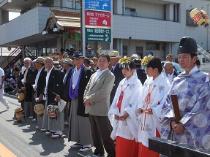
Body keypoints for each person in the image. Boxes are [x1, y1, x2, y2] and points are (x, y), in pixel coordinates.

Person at [161, 37, 210, 152]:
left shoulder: (204, 79)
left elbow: (203, 107)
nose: (181, 60)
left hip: (192, 133)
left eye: (185, 57)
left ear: (194, 59)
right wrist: (172, 121)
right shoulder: (177, 79)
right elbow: (168, 103)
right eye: (179, 57)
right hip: (175, 129)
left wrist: (183, 124)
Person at [108, 57, 142, 157]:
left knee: (128, 148)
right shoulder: (122, 82)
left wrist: (127, 113)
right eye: (122, 69)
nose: (124, 71)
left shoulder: (137, 83)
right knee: (120, 148)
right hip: (119, 118)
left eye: (126, 69)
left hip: (129, 120)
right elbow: (116, 99)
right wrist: (115, 111)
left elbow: (136, 101)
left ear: (133, 70)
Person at [136, 57, 171, 157]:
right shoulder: (148, 81)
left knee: (153, 145)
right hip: (145, 117)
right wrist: (140, 107)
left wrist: (155, 109)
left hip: (154, 120)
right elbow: (141, 97)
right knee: (144, 142)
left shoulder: (165, 83)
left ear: (155, 70)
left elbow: (166, 102)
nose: (146, 70)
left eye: (148, 68)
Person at [84, 54, 115, 157]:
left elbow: (104, 92)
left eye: (104, 61)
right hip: (91, 107)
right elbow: (87, 87)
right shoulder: (94, 74)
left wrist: (89, 99)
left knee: (105, 134)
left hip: (101, 108)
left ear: (108, 63)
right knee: (94, 133)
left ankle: (111, 153)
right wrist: (85, 98)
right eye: (99, 60)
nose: (101, 62)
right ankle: (98, 151)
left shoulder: (109, 75)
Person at [68, 52, 93, 152]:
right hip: (73, 98)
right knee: (75, 120)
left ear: (83, 60)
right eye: (75, 59)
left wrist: (88, 98)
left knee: (84, 120)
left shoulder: (87, 71)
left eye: (79, 59)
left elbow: (91, 87)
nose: (77, 61)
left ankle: (87, 143)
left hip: (83, 99)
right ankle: (78, 140)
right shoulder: (72, 70)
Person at [42, 57, 64, 138]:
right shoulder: (47, 72)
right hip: (49, 95)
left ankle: (59, 131)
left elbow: (60, 84)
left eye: (49, 62)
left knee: (57, 113)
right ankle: (52, 129)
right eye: (46, 62)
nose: (47, 64)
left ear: (52, 63)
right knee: (51, 112)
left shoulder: (57, 72)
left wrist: (58, 94)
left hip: (56, 96)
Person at [33, 57, 46, 129]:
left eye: (37, 63)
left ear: (41, 63)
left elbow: (44, 84)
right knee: (38, 108)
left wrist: (41, 93)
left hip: (42, 93)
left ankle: (43, 125)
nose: (35, 64)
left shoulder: (44, 71)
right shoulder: (39, 71)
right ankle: (40, 124)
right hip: (37, 91)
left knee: (41, 108)